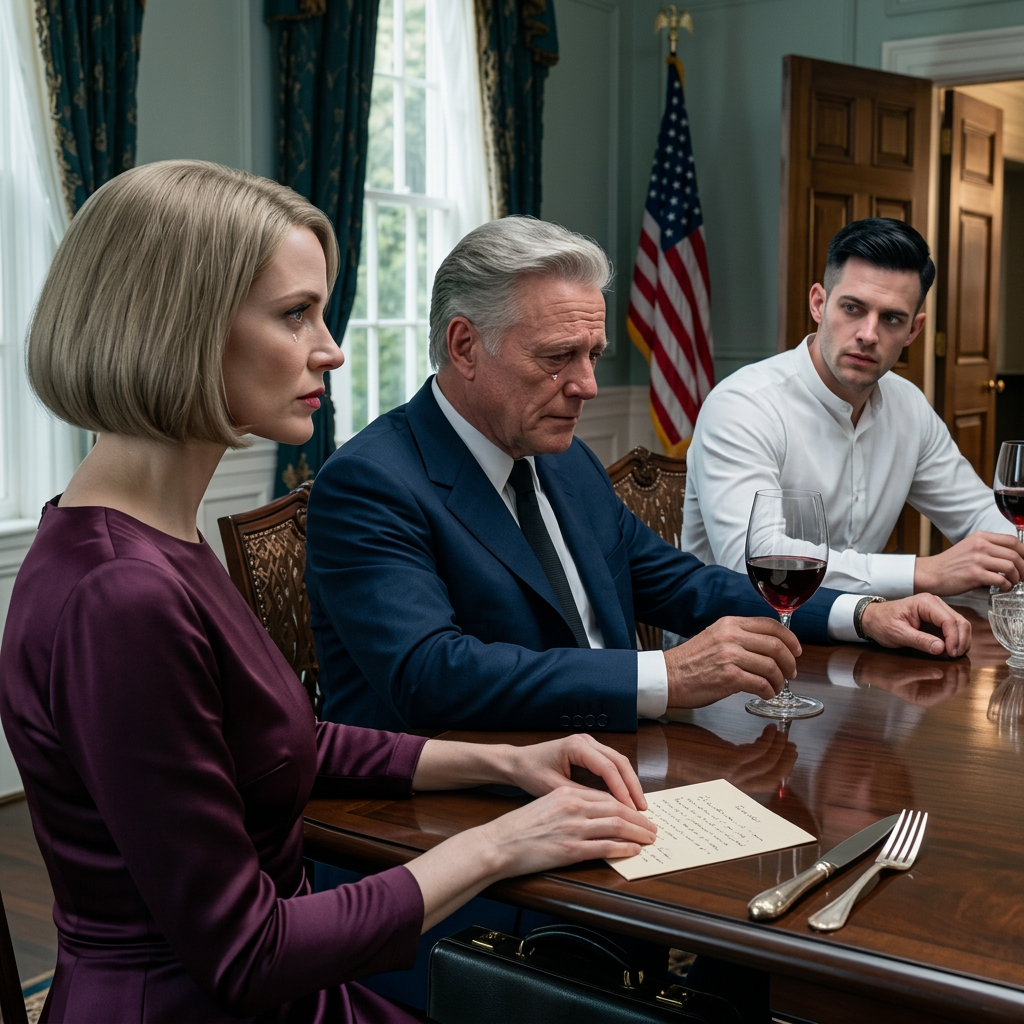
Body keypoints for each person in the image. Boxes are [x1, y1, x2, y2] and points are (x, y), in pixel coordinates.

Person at [0, 162, 659, 1024]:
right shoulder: (125, 594)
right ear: (181, 329)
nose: (331, 346)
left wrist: (502, 763)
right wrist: (500, 843)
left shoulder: (149, 534)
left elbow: (282, 743)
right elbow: (247, 952)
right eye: (293, 313)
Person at [305, 217, 970, 735]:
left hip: (614, 765)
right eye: (560, 357)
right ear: (464, 346)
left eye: (593, 354)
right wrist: (664, 676)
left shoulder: (564, 460)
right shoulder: (370, 482)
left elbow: (684, 586)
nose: (589, 386)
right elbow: (433, 676)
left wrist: (862, 614)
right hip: (448, 822)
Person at [683, 217, 1024, 598]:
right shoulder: (744, 405)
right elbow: (756, 558)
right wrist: (923, 572)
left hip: (861, 635)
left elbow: (981, 515)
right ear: (818, 304)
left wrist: (1011, 545)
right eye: (852, 308)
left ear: (913, 330)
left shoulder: (908, 406)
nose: (868, 334)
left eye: (892, 318)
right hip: (732, 639)